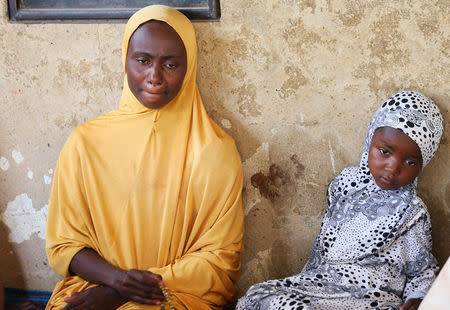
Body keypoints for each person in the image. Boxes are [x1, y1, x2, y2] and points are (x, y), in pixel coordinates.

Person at [45, 5, 244, 310]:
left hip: (175, 293)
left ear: (189, 67)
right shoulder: (85, 143)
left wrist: (123, 292)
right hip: (94, 284)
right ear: (125, 61)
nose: (155, 77)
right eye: (143, 60)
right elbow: (65, 245)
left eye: (171, 65)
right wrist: (115, 280)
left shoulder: (215, 151)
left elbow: (219, 262)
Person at [237, 91, 444, 310]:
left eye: (411, 163)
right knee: (265, 297)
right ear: (369, 141)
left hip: (372, 298)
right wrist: (308, 280)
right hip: (323, 286)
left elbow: (423, 270)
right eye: (384, 152)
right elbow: (323, 245)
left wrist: (416, 298)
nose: (393, 168)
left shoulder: (412, 212)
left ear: (423, 165)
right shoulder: (345, 184)